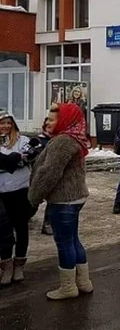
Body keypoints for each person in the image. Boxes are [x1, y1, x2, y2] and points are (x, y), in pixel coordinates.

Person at [28, 104, 92, 300]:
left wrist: (34, 198)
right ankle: (83, 282)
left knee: (64, 243)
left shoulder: (62, 142)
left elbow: (49, 174)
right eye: (47, 118)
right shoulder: (73, 138)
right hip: (75, 197)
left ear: (64, 121)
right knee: (73, 240)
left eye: (52, 119)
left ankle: (68, 287)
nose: (47, 122)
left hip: (64, 200)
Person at [0, 111, 32, 286]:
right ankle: (6, 266)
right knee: (3, 231)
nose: (5, 126)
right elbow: (17, 161)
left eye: (8, 123)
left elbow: (29, 157)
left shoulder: (23, 140)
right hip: (1, 192)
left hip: (20, 190)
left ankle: (19, 264)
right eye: (2, 123)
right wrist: (13, 161)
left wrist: (7, 163)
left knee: (21, 227)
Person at [36, 119, 53, 235]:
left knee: (52, 200)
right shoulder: (39, 141)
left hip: (51, 174)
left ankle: (47, 224)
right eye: (47, 127)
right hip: (39, 174)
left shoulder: (57, 140)